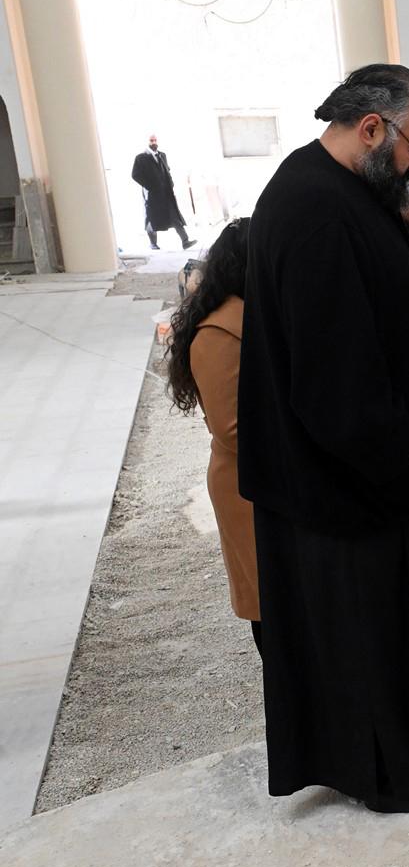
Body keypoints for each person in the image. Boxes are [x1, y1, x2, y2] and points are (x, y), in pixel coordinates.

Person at [238, 63, 409, 816]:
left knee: (401, 629)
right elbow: (333, 378)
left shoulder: (344, 190)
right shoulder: (314, 206)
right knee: (373, 636)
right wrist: (405, 457)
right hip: (351, 482)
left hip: (376, 473)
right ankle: (398, 773)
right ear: (373, 128)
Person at [164, 217, 258, 648]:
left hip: (261, 479)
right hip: (245, 485)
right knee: (271, 608)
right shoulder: (220, 329)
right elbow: (232, 428)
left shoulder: (250, 313)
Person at [132, 134, 195, 251]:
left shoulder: (162, 155)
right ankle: (153, 243)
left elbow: (167, 170)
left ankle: (185, 241)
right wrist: (150, 186)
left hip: (166, 193)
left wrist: (170, 182)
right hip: (152, 195)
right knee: (151, 217)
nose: (154, 142)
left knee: (174, 215)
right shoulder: (141, 158)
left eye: (155, 140)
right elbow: (135, 175)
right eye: (151, 140)